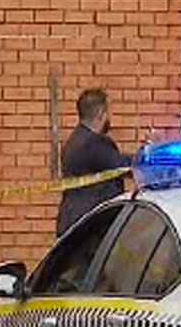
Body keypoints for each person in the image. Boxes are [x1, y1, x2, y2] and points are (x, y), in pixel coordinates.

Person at [56, 88, 132, 237]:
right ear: (100, 114)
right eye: (108, 112)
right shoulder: (94, 144)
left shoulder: (76, 139)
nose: (110, 116)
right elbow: (125, 166)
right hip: (90, 227)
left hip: (76, 223)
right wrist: (151, 153)